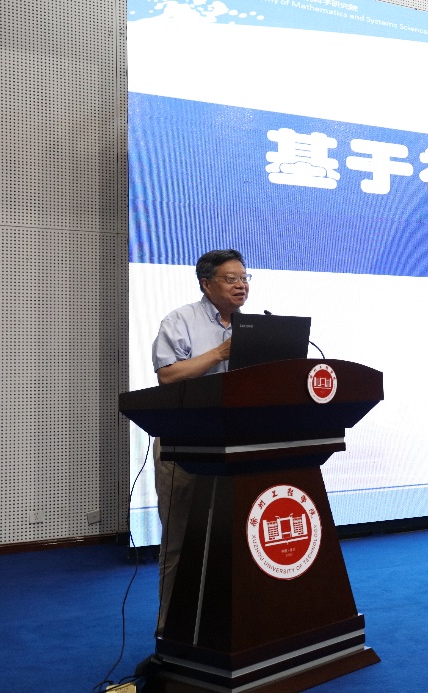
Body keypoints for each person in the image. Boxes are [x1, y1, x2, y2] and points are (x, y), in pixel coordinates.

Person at [150, 249, 250, 634]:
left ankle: (225, 629)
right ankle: (170, 630)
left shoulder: (255, 326)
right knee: (179, 542)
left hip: (237, 448)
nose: (241, 285)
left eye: (245, 278)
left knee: (232, 542)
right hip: (185, 447)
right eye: (231, 279)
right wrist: (219, 353)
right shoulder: (181, 321)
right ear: (206, 284)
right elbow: (168, 376)